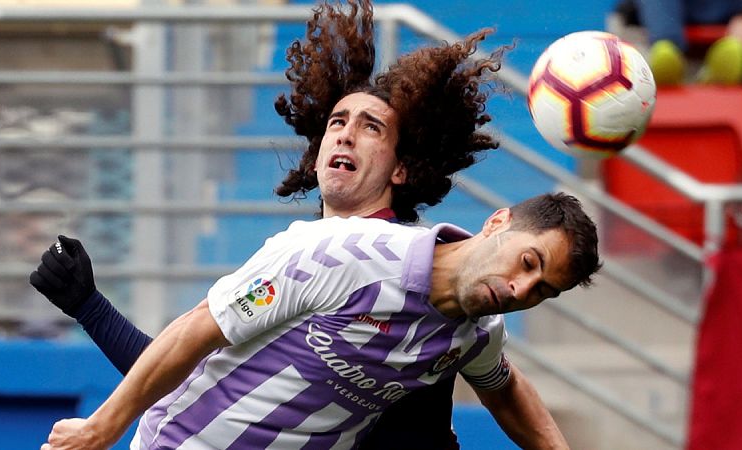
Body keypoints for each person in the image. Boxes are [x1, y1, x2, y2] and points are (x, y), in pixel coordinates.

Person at [30, 0, 557, 448]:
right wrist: (91, 308)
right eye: (337, 122)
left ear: (401, 168)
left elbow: (488, 391)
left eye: (371, 128)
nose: (345, 135)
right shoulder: (307, 256)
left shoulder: (415, 287)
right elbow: (201, 380)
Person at [39, 191, 602, 450]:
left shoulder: (476, 333)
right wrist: (102, 427)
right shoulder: (343, 254)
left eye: (542, 291)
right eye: (529, 263)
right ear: (498, 222)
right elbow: (200, 328)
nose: (521, 290)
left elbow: (504, 387)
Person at [617, 0, 742, 86]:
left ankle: (711, 72)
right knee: (664, 48)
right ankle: (667, 51)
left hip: (738, 27)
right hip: (667, 25)